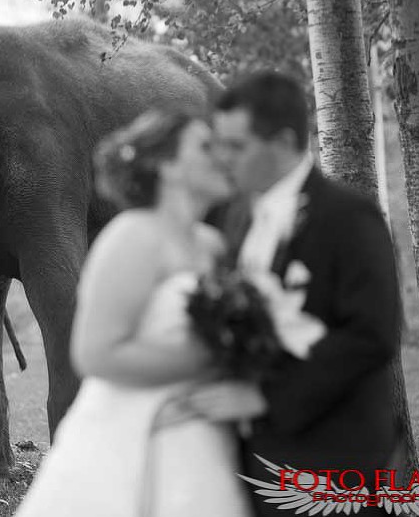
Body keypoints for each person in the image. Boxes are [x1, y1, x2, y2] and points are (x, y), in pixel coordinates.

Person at [15, 107, 261, 517]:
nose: (222, 156)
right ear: (165, 167)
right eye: (205, 146)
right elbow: (95, 353)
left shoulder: (211, 246)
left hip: (202, 432)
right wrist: (207, 358)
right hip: (132, 434)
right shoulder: (131, 239)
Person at [205, 71, 401, 516]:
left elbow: (372, 336)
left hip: (333, 457)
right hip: (256, 456)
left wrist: (266, 398)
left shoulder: (349, 216)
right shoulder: (234, 221)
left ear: (283, 141)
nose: (224, 159)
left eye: (237, 147)